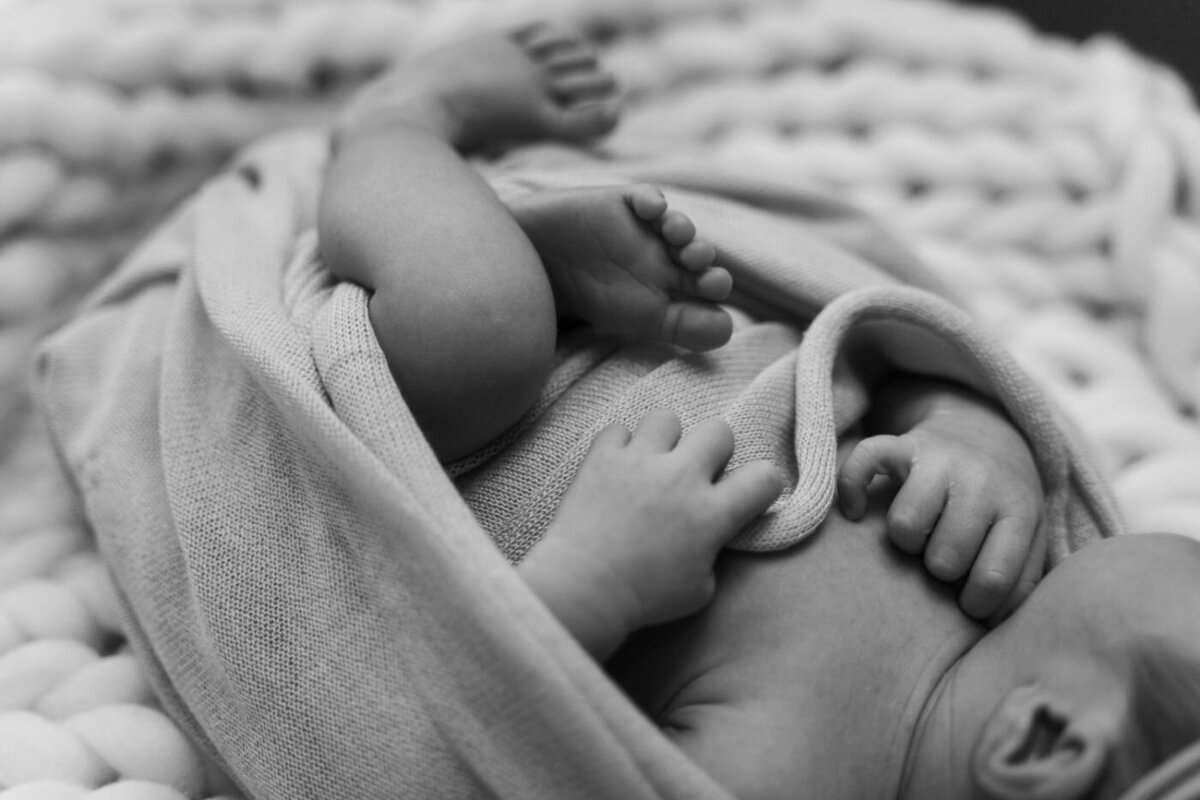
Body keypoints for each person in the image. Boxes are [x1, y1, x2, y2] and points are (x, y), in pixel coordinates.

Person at [316, 24, 1200, 800]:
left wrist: (592, 584)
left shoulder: (778, 777)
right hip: (675, 349)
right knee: (526, 303)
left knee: (478, 325)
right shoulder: (1005, 567)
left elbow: (483, 749)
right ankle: (532, 249)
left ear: (1046, 739)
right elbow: (911, 358)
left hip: (449, 443)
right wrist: (971, 431)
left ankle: (396, 133)